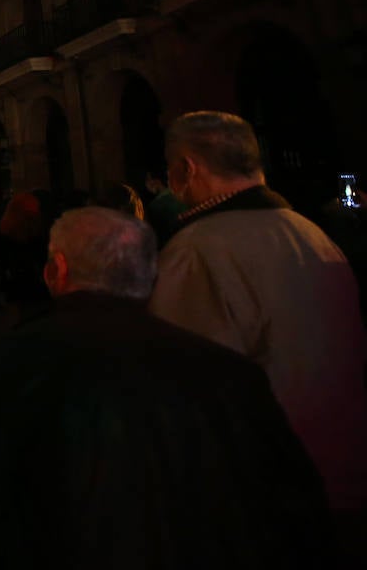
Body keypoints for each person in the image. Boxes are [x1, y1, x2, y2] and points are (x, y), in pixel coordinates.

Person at [0, 206, 334, 568]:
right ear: (150, 275)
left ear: (58, 270)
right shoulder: (227, 372)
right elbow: (291, 499)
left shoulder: (15, 360)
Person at [149, 111, 367, 557]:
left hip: (261, 490)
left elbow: (180, 381)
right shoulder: (311, 232)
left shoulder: (199, 249)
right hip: (340, 469)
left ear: (187, 168)